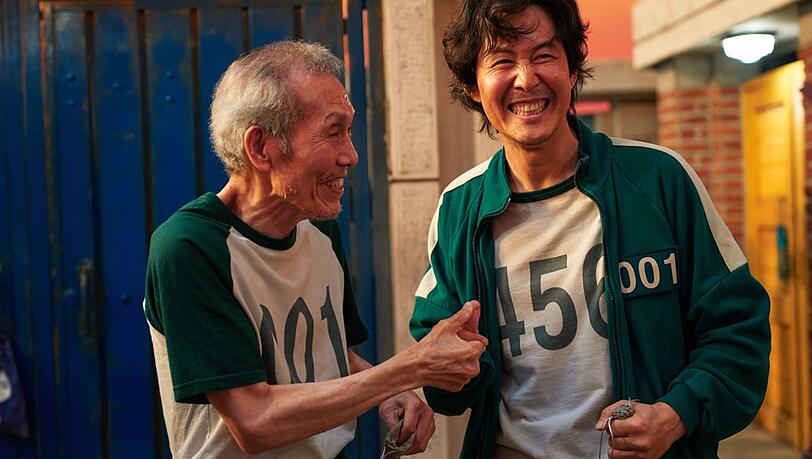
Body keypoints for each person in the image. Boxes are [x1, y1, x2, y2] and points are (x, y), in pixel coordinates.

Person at [409, 1, 771, 458]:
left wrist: (674, 416)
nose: (526, 79)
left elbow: (737, 331)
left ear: (572, 68)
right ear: (472, 86)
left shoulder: (658, 179)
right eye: (501, 61)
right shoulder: (460, 208)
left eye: (544, 55)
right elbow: (444, 378)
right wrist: (444, 371)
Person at [143, 40, 488, 458]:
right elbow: (254, 421)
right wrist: (408, 369)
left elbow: (330, 354)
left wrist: (388, 392)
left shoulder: (318, 227)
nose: (351, 155)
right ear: (261, 147)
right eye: (332, 132)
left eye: (349, 130)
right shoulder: (190, 248)